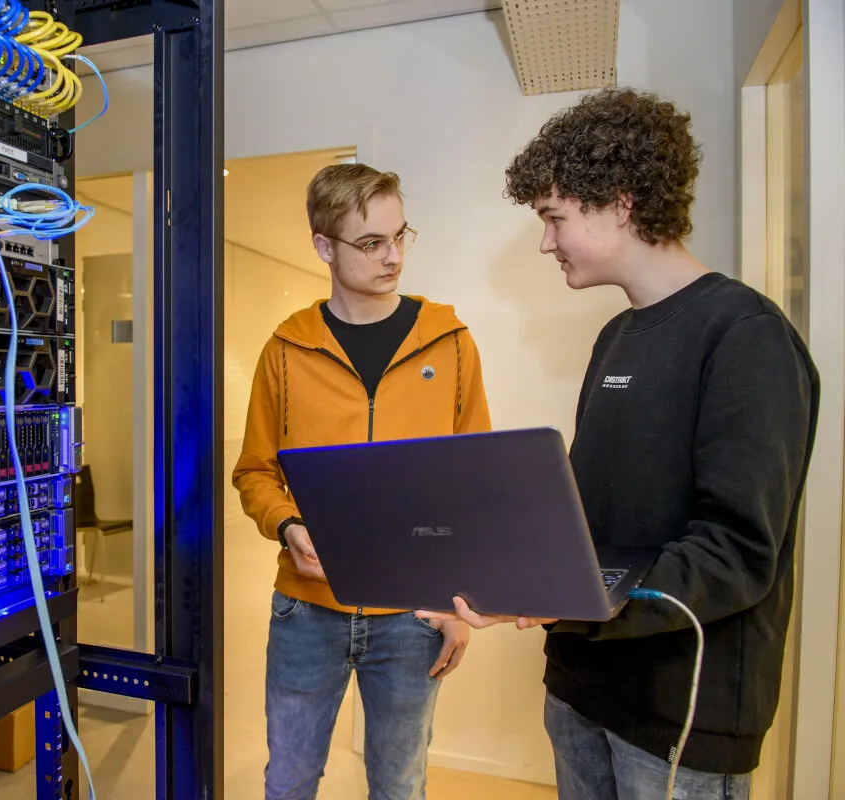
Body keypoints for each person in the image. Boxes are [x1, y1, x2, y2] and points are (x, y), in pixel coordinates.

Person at [419, 88, 819, 799]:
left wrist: (570, 598)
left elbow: (734, 554)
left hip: (677, 719)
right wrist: (514, 573)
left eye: (554, 218)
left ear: (620, 203)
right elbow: (591, 519)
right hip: (580, 690)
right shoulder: (617, 336)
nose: (546, 241)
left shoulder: (745, 337)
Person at [232, 163, 492, 800]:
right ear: (324, 247)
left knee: (400, 785)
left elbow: (478, 481)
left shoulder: (451, 343)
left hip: (414, 614)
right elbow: (254, 471)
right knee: (288, 781)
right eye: (372, 243)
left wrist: (462, 603)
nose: (394, 256)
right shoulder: (286, 349)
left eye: (401, 236)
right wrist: (287, 524)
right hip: (305, 610)